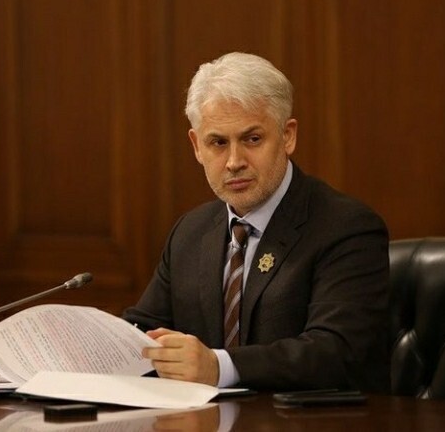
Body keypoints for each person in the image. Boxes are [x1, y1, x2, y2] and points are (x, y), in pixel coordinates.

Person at [122, 52, 390, 393]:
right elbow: (143, 331)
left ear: (287, 136)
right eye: (218, 143)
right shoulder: (190, 232)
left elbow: (334, 352)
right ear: (196, 146)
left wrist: (219, 367)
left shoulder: (346, 228)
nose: (234, 162)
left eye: (252, 139)